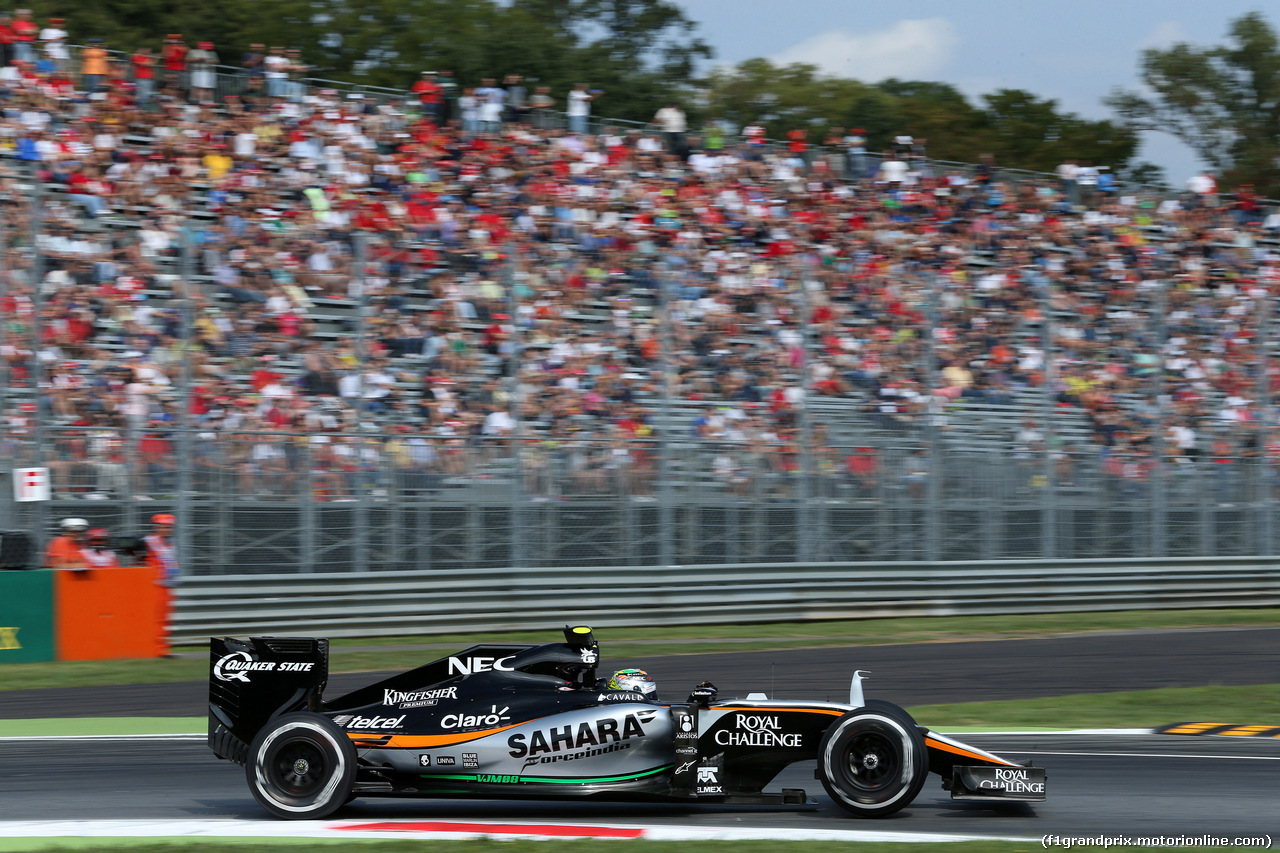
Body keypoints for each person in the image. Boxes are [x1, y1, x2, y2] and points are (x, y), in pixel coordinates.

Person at [144, 513, 178, 655]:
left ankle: (163, 648)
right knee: (156, 619)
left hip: (166, 586)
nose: (168, 530)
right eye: (165, 527)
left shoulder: (171, 543)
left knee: (165, 620)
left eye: (170, 527)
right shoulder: (148, 541)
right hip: (152, 586)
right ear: (157, 527)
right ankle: (157, 649)